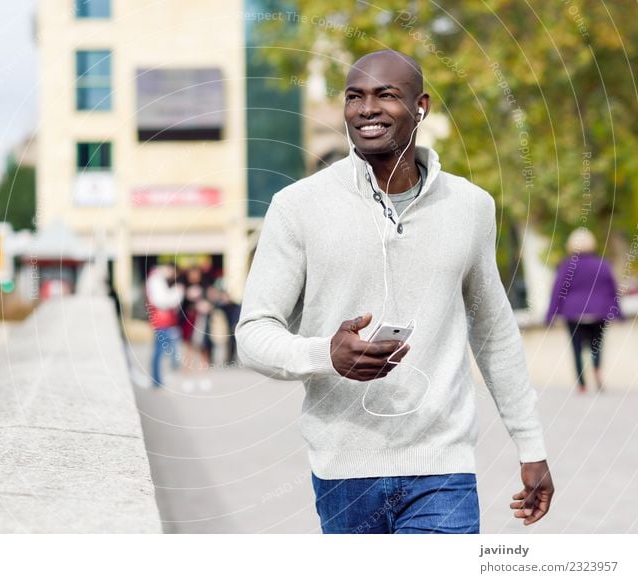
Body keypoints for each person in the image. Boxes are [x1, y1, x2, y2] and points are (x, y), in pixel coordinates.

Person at [236, 50, 554, 534]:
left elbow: (494, 332)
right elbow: (254, 332)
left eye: (386, 95)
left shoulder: (470, 207)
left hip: (443, 467)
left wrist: (530, 445)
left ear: (420, 106)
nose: (367, 109)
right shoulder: (297, 207)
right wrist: (327, 353)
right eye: (354, 97)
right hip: (344, 471)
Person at [545, 227, 622, 393]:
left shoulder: (566, 266)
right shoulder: (602, 264)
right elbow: (612, 289)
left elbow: (558, 291)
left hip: (573, 313)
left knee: (577, 348)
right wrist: (618, 313)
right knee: (597, 345)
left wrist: (550, 315)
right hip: (598, 312)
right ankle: (597, 369)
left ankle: (582, 384)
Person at [145, 264, 182, 388]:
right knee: (159, 352)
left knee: (161, 352)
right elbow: (162, 302)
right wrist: (177, 294)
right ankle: (156, 381)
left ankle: (157, 381)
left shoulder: (156, 279)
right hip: (161, 322)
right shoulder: (156, 280)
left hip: (163, 321)